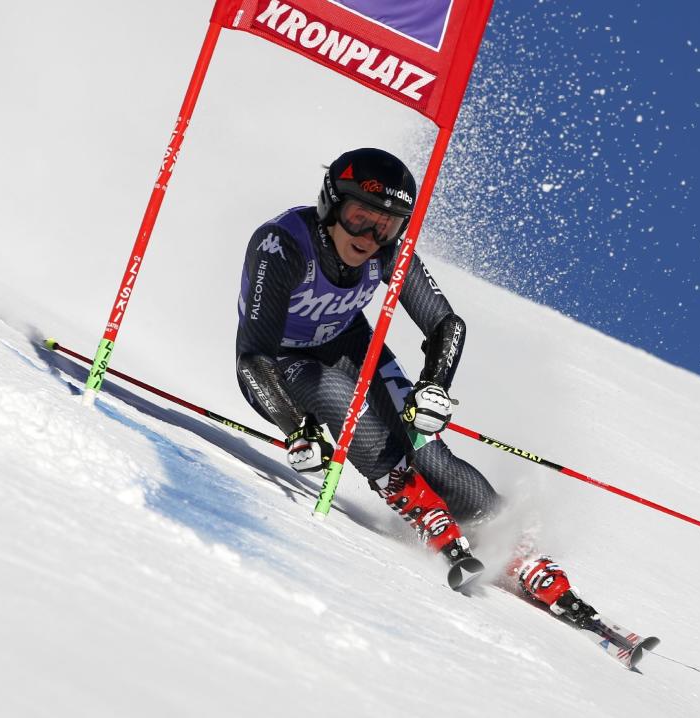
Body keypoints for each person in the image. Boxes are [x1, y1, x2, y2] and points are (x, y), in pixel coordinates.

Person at [235, 147, 597, 626]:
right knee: (337, 397)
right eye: (360, 217)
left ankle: (506, 535)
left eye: (386, 225)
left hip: (349, 343)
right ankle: (409, 496)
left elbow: (447, 325)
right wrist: (296, 427)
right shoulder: (282, 244)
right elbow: (252, 359)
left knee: (428, 450)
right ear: (330, 205)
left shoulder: (390, 253)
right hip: (280, 366)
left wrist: (434, 388)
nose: (369, 236)